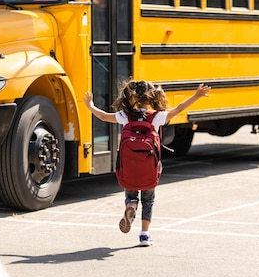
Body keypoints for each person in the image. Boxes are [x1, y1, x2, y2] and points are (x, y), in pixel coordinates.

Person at [84, 78, 211, 246]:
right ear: (152, 98)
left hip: (129, 165)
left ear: (134, 98)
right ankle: (144, 235)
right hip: (149, 166)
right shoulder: (157, 116)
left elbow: (103, 116)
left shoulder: (125, 116)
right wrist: (197, 95)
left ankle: (131, 206)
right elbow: (179, 108)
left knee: (131, 195)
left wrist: (90, 105)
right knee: (148, 200)